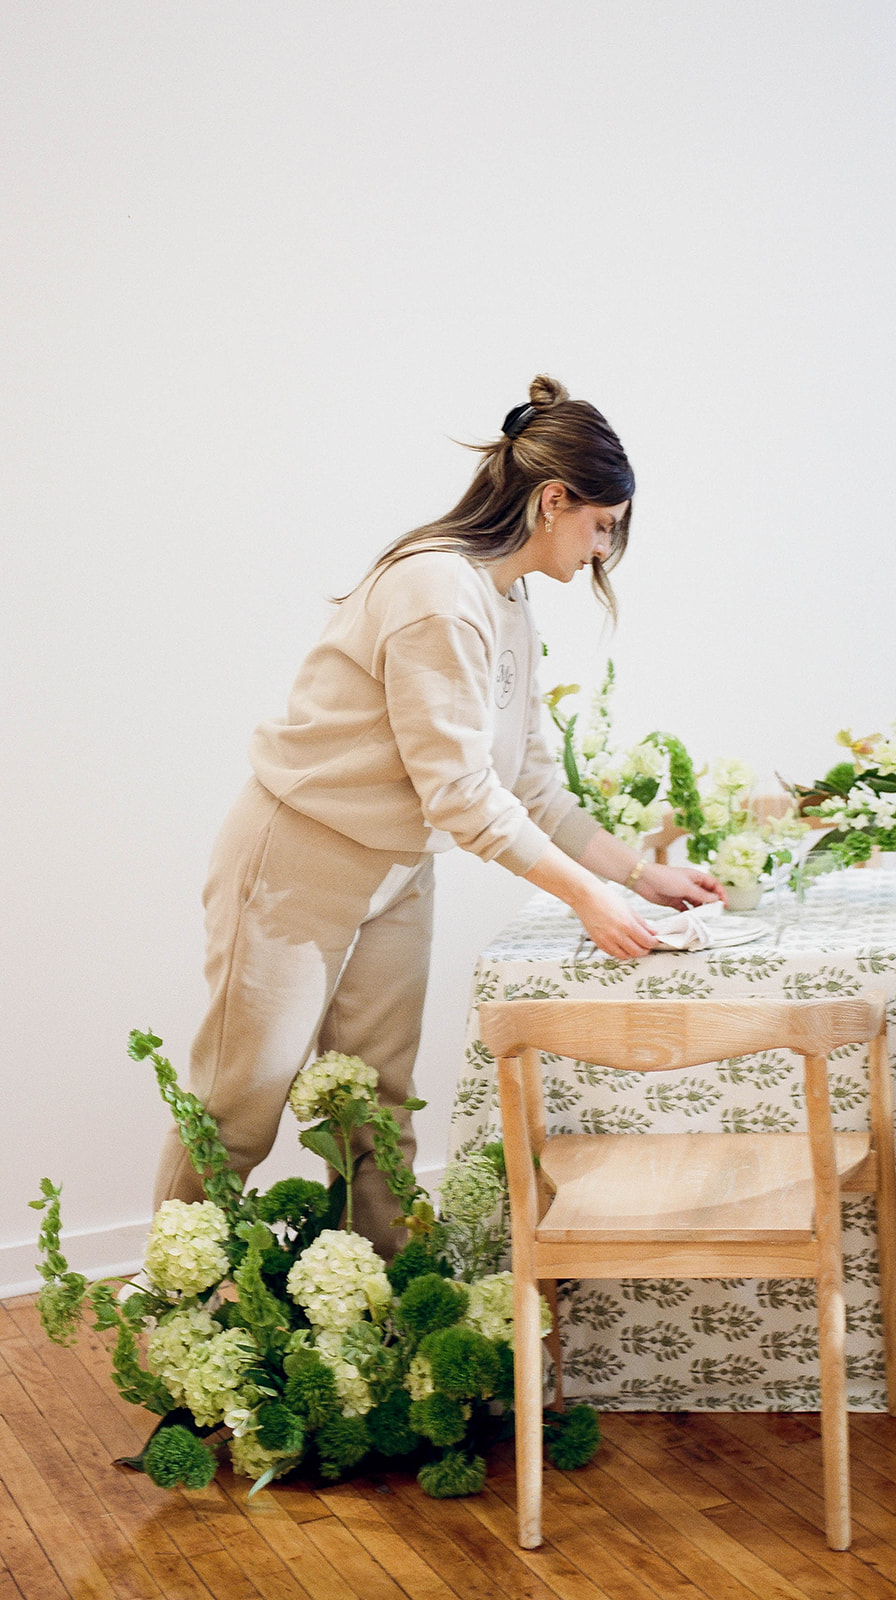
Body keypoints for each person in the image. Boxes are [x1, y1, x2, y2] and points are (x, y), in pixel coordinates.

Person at [154, 375, 724, 1253]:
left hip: (394, 870)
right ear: (552, 499)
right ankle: (173, 1324)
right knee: (240, 1108)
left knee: (377, 1111)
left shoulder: (509, 603)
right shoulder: (435, 591)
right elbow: (460, 795)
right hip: (296, 861)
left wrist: (640, 875)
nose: (603, 549)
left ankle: (389, 1325)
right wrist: (585, 900)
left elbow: (529, 784)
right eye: (602, 525)